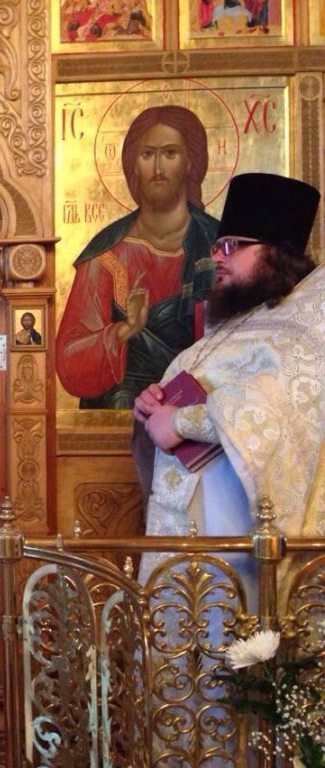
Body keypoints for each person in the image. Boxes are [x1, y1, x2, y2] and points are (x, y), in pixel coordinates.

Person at [135, 172, 324, 594]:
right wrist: (152, 404)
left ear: (276, 252)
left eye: (232, 246)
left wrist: (179, 422)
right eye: (216, 247)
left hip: (237, 528)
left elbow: (277, 405)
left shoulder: (310, 320)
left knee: (234, 624)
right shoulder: (238, 320)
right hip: (187, 520)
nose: (218, 258)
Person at [56, 104, 219, 411]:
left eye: (169, 153)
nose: (158, 167)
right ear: (133, 165)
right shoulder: (105, 256)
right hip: (122, 414)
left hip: (208, 411)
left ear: (190, 163)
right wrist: (123, 331)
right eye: (147, 154)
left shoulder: (219, 246)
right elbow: (69, 360)